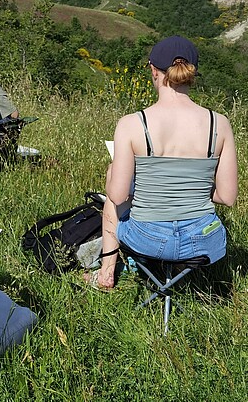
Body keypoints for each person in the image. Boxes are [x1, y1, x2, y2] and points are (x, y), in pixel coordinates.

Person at [92, 36, 238, 289]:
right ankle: (183, 273)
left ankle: (106, 273)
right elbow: (227, 197)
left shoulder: (132, 123)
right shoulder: (219, 123)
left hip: (148, 239)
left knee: (111, 184)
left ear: (153, 71)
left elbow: (117, 196)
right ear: (191, 73)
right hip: (202, 242)